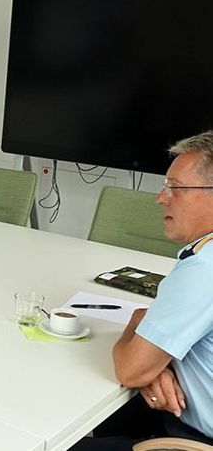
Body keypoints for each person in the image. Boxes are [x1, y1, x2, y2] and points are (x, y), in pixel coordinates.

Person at [72, 131, 213, 450]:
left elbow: (130, 370)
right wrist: (159, 361)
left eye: (176, 188)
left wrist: (138, 326)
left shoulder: (205, 268)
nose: (161, 198)